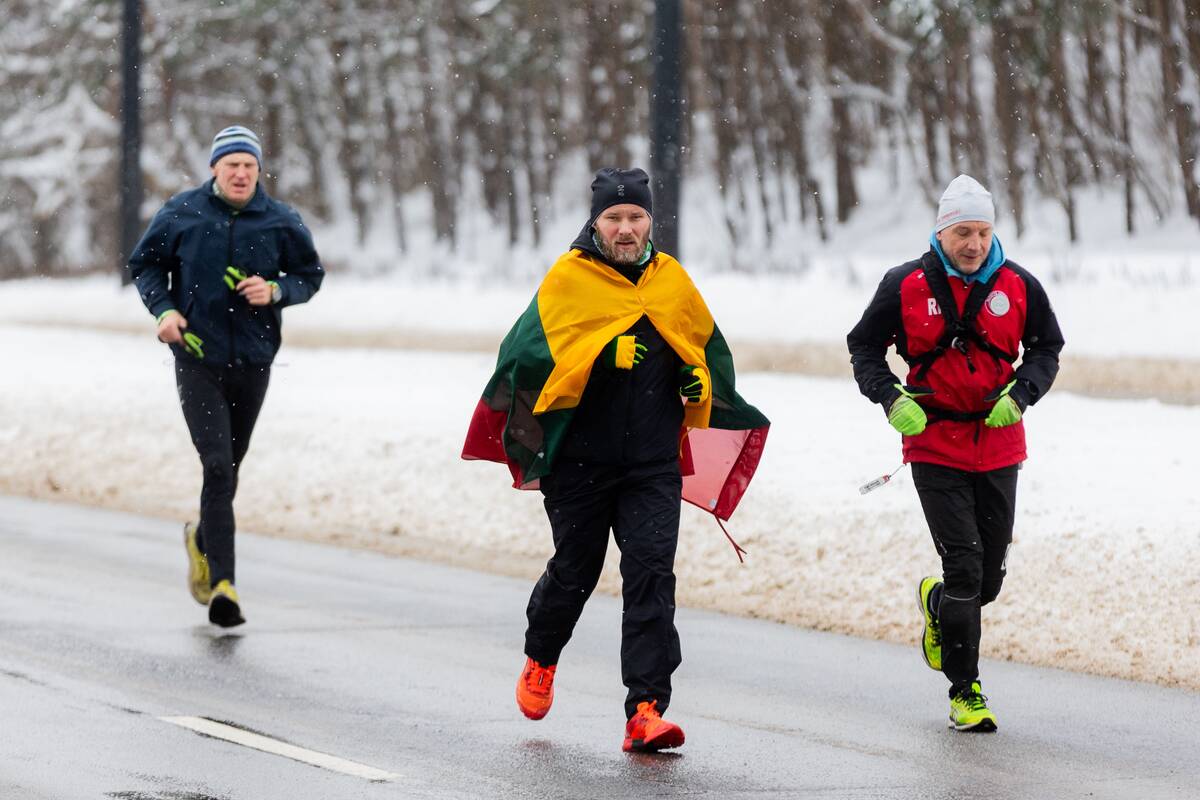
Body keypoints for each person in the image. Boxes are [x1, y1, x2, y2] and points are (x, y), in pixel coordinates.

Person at [463, 167, 768, 752]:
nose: (626, 229)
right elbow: (523, 361)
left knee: (651, 575)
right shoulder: (570, 280)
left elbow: (703, 352)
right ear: (595, 221)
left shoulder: (671, 281)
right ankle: (541, 657)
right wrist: (602, 355)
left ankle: (646, 709)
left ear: (651, 220)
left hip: (651, 463)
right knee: (576, 570)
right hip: (578, 461)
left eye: (636, 217)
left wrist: (694, 381)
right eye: (614, 218)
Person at [847, 174, 1064, 731]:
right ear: (941, 232)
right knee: (966, 566)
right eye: (962, 232)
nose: (973, 244)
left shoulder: (1019, 286)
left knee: (988, 581)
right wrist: (891, 398)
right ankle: (965, 693)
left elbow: (1047, 349)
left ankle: (938, 605)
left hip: (999, 444)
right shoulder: (905, 284)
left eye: (983, 232)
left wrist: (1022, 393)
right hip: (933, 443)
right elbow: (864, 347)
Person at [129, 125, 324, 627]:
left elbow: (310, 276)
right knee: (217, 466)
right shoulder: (183, 213)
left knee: (228, 471)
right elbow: (145, 265)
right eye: (231, 164)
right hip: (197, 358)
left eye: (249, 165)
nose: (240, 173)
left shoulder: (280, 220)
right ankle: (224, 585)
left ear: (259, 171)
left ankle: (201, 539)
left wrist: (278, 291)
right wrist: (164, 312)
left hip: (255, 362)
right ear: (214, 168)